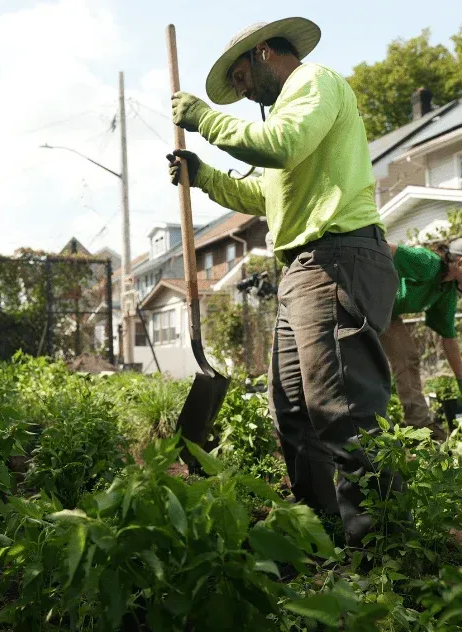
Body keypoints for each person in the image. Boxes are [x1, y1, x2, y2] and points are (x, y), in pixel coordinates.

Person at [167, 18, 402, 546]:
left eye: (243, 81)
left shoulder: (313, 86)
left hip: (337, 256)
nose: (244, 94)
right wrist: (201, 175)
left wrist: (204, 119)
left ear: (265, 54)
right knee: (294, 411)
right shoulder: (286, 113)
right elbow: (262, 196)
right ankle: (323, 534)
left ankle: (383, 551)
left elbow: (280, 145)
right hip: (303, 268)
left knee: (341, 410)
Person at [381, 240, 462, 439]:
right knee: (365, 366)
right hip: (362, 301)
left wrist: (461, 380)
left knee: (408, 358)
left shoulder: (446, 291)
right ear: (460, 263)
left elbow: (448, 340)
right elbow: (385, 248)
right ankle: (366, 431)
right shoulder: (427, 263)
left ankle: (420, 427)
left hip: (387, 314)